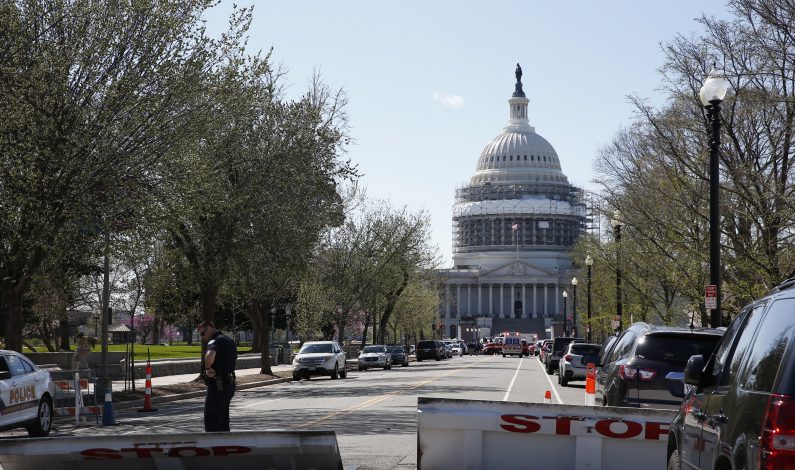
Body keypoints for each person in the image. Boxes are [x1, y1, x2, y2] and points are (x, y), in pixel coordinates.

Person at [199, 321, 237, 432]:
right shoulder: (229, 340)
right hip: (229, 382)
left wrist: (207, 368)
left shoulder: (215, 340)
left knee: (212, 419)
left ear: (209, 328)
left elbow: (210, 355)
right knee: (223, 417)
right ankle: (225, 444)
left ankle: (214, 446)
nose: (202, 338)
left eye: (202, 334)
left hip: (218, 384)